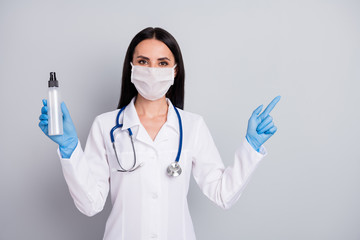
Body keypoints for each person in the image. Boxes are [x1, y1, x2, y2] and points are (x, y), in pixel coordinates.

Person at [38, 27, 280, 240]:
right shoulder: (106, 125)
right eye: (143, 61)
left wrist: (251, 146)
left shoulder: (192, 126)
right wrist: (69, 147)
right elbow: (90, 204)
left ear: (174, 71)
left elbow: (223, 194)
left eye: (162, 63)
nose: (152, 70)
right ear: (131, 68)